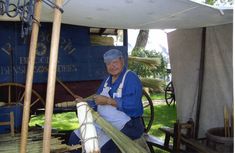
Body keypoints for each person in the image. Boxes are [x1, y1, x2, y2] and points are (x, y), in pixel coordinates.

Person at [68, 49, 144, 153]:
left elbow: (135, 107)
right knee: (74, 139)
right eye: (108, 64)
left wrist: (109, 101)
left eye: (115, 62)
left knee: (100, 148)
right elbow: (97, 101)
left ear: (122, 61)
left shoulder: (130, 78)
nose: (112, 66)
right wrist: (84, 103)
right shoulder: (107, 80)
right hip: (102, 122)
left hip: (126, 126)